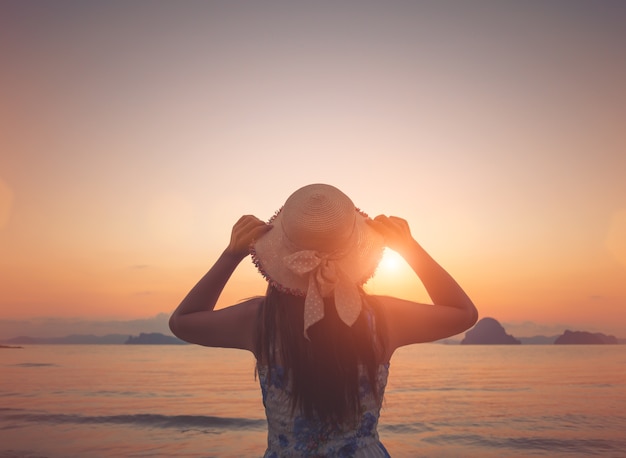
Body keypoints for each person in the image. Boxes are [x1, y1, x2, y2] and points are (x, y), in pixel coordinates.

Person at [169, 183, 478, 457]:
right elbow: (464, 313)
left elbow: (182, 322)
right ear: (355, 252)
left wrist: (232, 254)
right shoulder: (383, 318)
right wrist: (410, 249)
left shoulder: (259, 321)